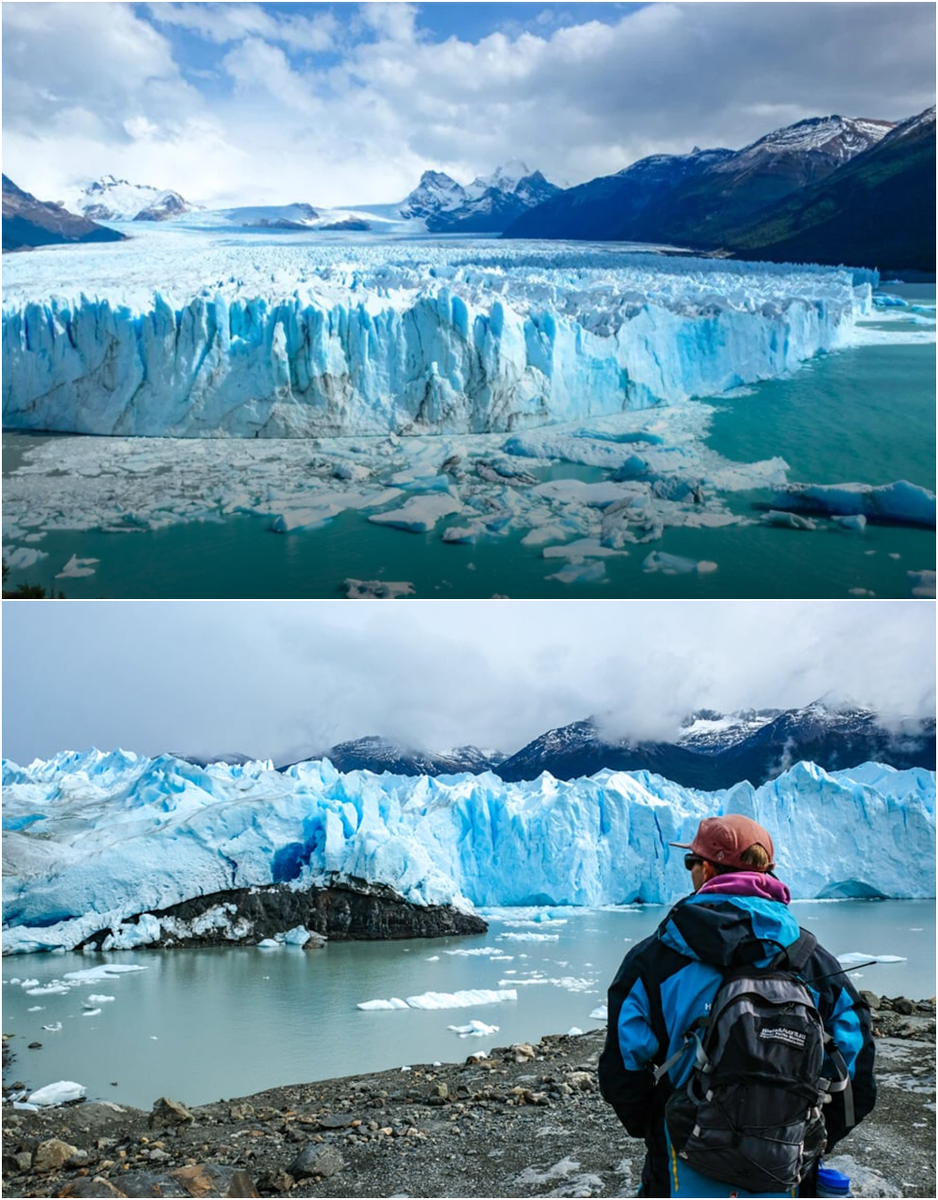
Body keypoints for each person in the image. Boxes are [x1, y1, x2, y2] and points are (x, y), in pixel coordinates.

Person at [598, 814, 876, 1198]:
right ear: (769, 874)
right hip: (784, 1165)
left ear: (707, 869)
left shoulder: (654, 959)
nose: (690, 870)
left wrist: (657, 1124)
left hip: (682, 1157)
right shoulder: (812, 960)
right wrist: (805, 1133)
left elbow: (622, 1070)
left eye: (690, 862)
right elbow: (856, 1071)